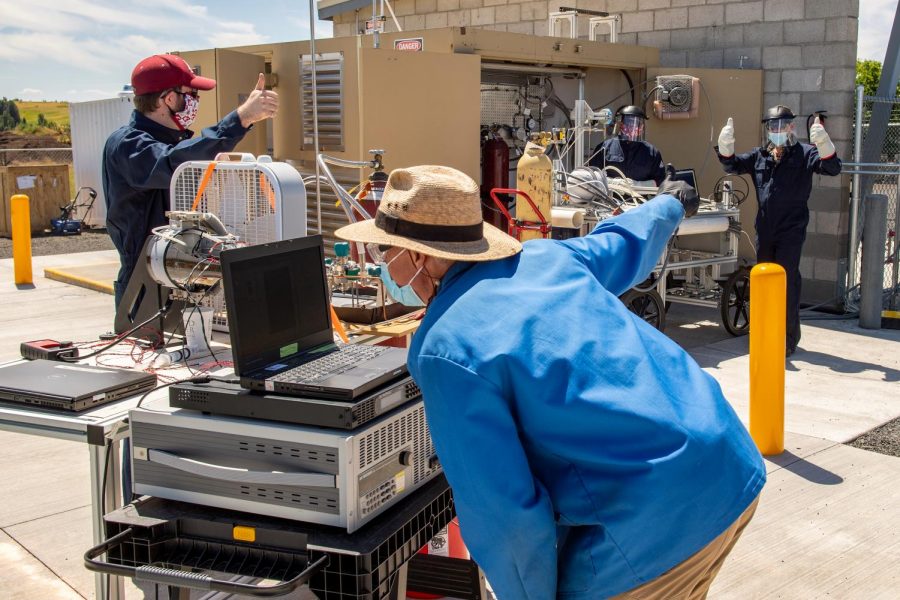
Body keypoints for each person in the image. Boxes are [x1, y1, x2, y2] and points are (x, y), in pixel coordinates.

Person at [335, 165, 765, 600]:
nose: (380, 262)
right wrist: (671, 203)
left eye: (385, 249)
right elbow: (625, 241)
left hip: (655, 515)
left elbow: (504, 514)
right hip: (728, 463)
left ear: (420, 256)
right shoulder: (546, 258)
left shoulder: (443, 348)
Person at [103, 54, 279, 309]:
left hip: (183, 273)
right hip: (146, 284)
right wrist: (240, 119)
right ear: (169, 99)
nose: (195, 101)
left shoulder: (174, 143)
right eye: (191, 94)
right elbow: (171, 164)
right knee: (146, 350)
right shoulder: (128, 144)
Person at [717, 105, 842, 356]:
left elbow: (832, 168)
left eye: (781, 125)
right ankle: (763, 332)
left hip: (791, 229)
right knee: (763, 280)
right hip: (766, 227)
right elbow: (732, 166)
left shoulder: (804, 153)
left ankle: (786, 337)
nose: (776, 130)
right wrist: (725, 147)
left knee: (786, 281)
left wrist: (825, 145)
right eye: (771, 126)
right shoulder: (760, 156)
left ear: (791, 127)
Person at [589, 105, 666, 185]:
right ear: (620, 125)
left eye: (636, 124)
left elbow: (660, 181)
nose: (631, 128)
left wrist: (638, 184)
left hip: (640, 196)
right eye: (628, 123)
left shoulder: (652, 152)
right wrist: (613, 182)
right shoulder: (604, 147)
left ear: (642, 127)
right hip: (611, 196)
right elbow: (592, 175)